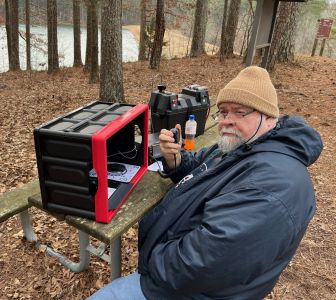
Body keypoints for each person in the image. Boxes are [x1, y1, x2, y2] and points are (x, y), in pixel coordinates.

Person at [87, 66, 323, 299]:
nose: (226, 121)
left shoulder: (272, 186)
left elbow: (199, 264)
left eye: (239, 112)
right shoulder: (245, 146)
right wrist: (176, 160)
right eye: (222, 111)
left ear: (269, 116)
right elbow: (203, 164)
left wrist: (151, 259)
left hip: (189, 291)